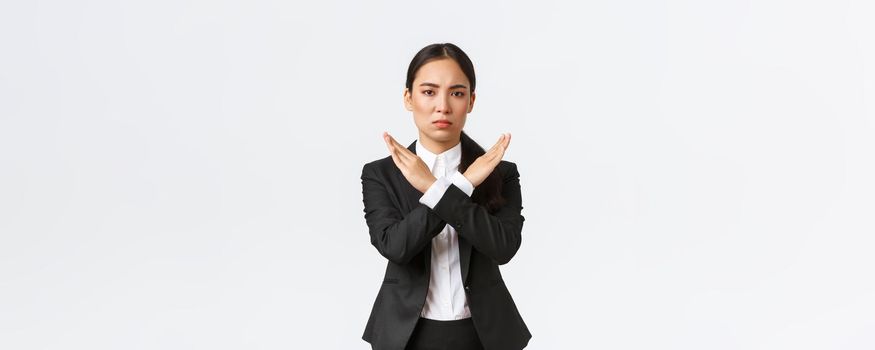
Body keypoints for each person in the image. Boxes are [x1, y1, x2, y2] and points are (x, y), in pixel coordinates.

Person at [360, 43, 531, 350]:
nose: (443, 106)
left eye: (456, 93)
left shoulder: (499, 172)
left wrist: (448, 187)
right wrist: (457, 188)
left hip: (484, 335)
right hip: (406, 335)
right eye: (428, 92)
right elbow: (396, 247)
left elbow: (503, 248)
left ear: (471, 101)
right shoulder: (380, 174)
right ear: (408, 98)